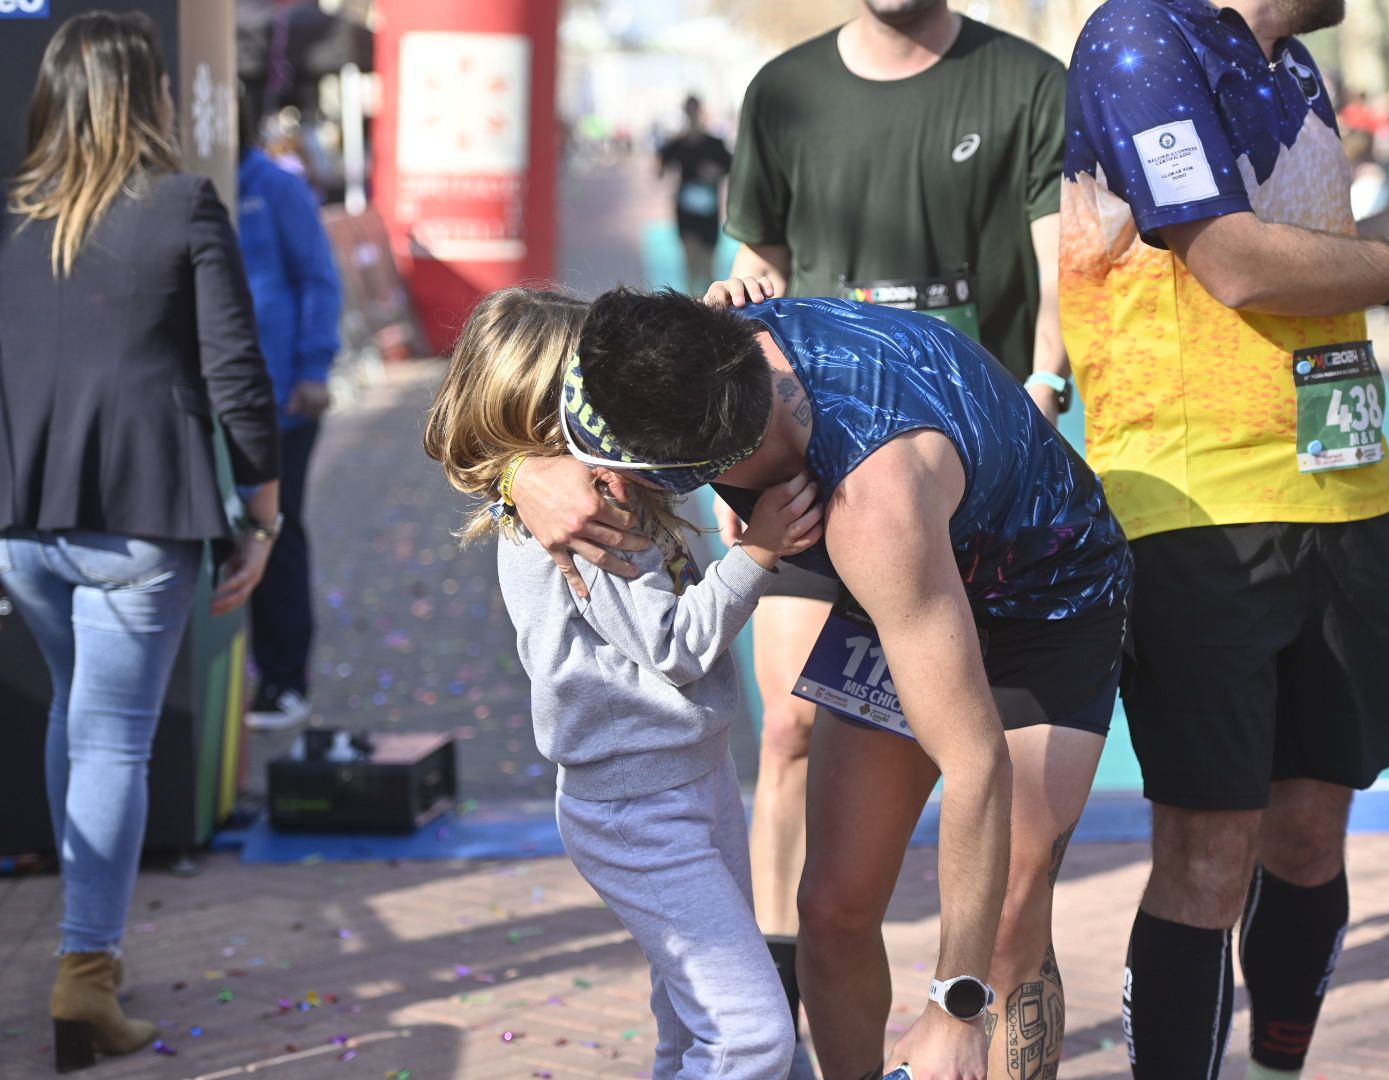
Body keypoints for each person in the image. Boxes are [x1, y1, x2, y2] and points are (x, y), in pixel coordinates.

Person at [1062, 1, 1389, 1076]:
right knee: (1207, 851)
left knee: (1308, 836)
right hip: (1201, 513)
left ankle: (1276, 1069)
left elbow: (1326, 257)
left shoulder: (1289, 63)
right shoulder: (1141, 34)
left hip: (1346, 495)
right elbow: (1239, 263)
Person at [513, 279, 1132, 1079]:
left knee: (1008, 916)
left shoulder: (872, 507)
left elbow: (975, 764)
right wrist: (521, 476)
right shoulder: (705, 344)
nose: (594, 484)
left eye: (613, 475)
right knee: (831, 913)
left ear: (701, 470)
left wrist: (956, 1003)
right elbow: (484, 400)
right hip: (907, 587)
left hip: (1044, 602)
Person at [718, 2, 1074, 1047]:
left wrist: (1044, 389)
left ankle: (976, 1015)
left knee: (1007, 827)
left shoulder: (1025, 83)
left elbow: (1064, 275)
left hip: (976, 488)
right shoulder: (783, 92)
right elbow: (762, 271)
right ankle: (776, 1030)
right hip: (817, 470)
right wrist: (741, 301)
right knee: (786, 726)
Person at [422, 287, 818, 1077]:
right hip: (640, 807)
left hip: (683, 778)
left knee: (691, 1024)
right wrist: (758, 555)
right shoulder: (588, 514)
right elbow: (673, 645)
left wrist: (717, 330)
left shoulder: (604, 490)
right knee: (751, 1037)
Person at [0, 12, 281, 1073]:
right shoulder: (181, 207)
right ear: (148, 99)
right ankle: (84, 978)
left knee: (79, 717)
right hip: (139, 525)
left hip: (25, 530)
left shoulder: (19, 224)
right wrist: (265, 514)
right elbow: (238, 380)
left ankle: (90, 950)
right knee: (111, 740)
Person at [237, 109, 344, 731]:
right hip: (215, 400)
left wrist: (312, 369)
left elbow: (318, 279)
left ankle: (283, 680)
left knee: (274, 529)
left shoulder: (275, 187)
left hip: (282, 400)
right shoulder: (188, 182)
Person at [657, 95, 732, 297]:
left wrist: (714, 173)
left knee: (708, 264)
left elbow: (731, 166)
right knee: (691, 263)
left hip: (708, 211)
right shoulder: (677, 144)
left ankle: (710, 307)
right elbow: (659, 169)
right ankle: (694, 305)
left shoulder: (715, 144)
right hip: (687, 212)